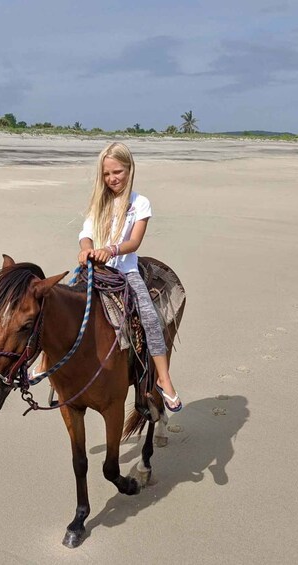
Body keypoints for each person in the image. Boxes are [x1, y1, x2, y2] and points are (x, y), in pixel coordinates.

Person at [76, 142, 182, 412]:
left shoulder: (140, 203)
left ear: (129, 169)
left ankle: (164, 379)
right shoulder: (98, 204)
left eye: (118, 172)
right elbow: (86, 234)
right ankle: (47, 368)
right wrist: (87, 250)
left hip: (126, 270)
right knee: (58, 304)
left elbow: (134, 242)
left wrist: (110, 249)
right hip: (95, 269)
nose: (113, 179)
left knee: (150, 317)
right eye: (107, 174)